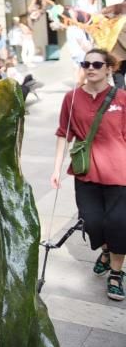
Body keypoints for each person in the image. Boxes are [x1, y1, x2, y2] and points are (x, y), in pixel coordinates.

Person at [50, 49, 126, 301]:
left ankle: (116, 273)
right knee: (92, 222)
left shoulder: (122, 99)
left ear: (109, 69)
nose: (90, 67)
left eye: (96, 64)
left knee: (118, 224)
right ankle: (105, 251)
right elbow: (64, 133)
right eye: (86, 63)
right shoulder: (71, 98)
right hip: (86, 173)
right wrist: (56, 168)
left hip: (120, 173)